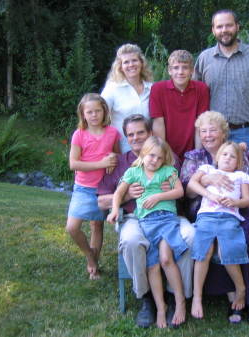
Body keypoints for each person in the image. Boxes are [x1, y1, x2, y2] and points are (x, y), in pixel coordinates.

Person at [97, 114, 194, 328]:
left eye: (140, 132)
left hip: (169, 215)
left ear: (150, 133)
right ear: (126, 137)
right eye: (130, 134)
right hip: (135, 217)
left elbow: (183, 190)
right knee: (132, 241)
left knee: (190, 236)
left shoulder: (167, 158)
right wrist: (126, 197)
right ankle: (147, 299)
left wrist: (166, 192)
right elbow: (102, 201)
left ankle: (179, 297)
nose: (136, 137)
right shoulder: (121, 164)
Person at [180, 110, 249, 326]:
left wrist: (233, 200)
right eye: (203, 131)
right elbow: (188, 191)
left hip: (238, 211)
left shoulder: (237, 152)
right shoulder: (195, 158)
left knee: (242, 239)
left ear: (223, 133)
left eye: (213, 130)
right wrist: (209, 180)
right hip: (205, 210)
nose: (207, 135)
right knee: (208, 245)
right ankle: (228, 294)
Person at [193, 9, 249, 148]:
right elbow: (193, 99)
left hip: (248, 133)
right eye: (219, 27)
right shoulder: (204, 59)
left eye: (229, 25)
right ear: (213, 30)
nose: (224, 30)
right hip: (214, 136)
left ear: (237, 26)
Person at [188, 141, 249, 321]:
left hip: (229, 217)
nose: (228, 158)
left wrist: (236, 203)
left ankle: (241, 288)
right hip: (206, 216)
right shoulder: (207, 169)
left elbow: (247, 200)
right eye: (225, 154)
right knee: (203, 252)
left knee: (227, 251)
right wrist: (210, 195)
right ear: (217, 157)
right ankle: (197, 298)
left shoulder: (241, 175)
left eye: (233, 156)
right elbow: (192, 184)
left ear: (238, 162)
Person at [66, 93, 120, 280]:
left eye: (98, 110)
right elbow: (73, 164)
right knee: (72, 227)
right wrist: (102, 164)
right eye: (89, 112)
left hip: (103, 189)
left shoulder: (112, 133)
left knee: (97, 225)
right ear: (83, 114)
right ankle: (90, 256)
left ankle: (94, 267)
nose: (94, 115)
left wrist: (112, 162)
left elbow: (117, 157)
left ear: (104, 111)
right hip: (83, 187)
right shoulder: (79, 134)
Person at [150, 49, 210, 162]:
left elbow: (201, 124)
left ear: (192, 70)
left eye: (185, 67)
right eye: (176, 67)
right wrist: (164, 154)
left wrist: (196, 156)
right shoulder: (158, 89)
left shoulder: (201, 89)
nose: (180, 72)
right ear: (169, 70)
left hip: (192, 150)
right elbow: (158, 124)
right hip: (167, 150)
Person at [101, 44, 153, 153]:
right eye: (126, 62)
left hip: (149, 150)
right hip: (122, 150)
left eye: (134, 60)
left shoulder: (151, 88)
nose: (131, 65)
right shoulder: (112, 89)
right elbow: (100, 119)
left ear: (141, 63)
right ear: (120, 66)